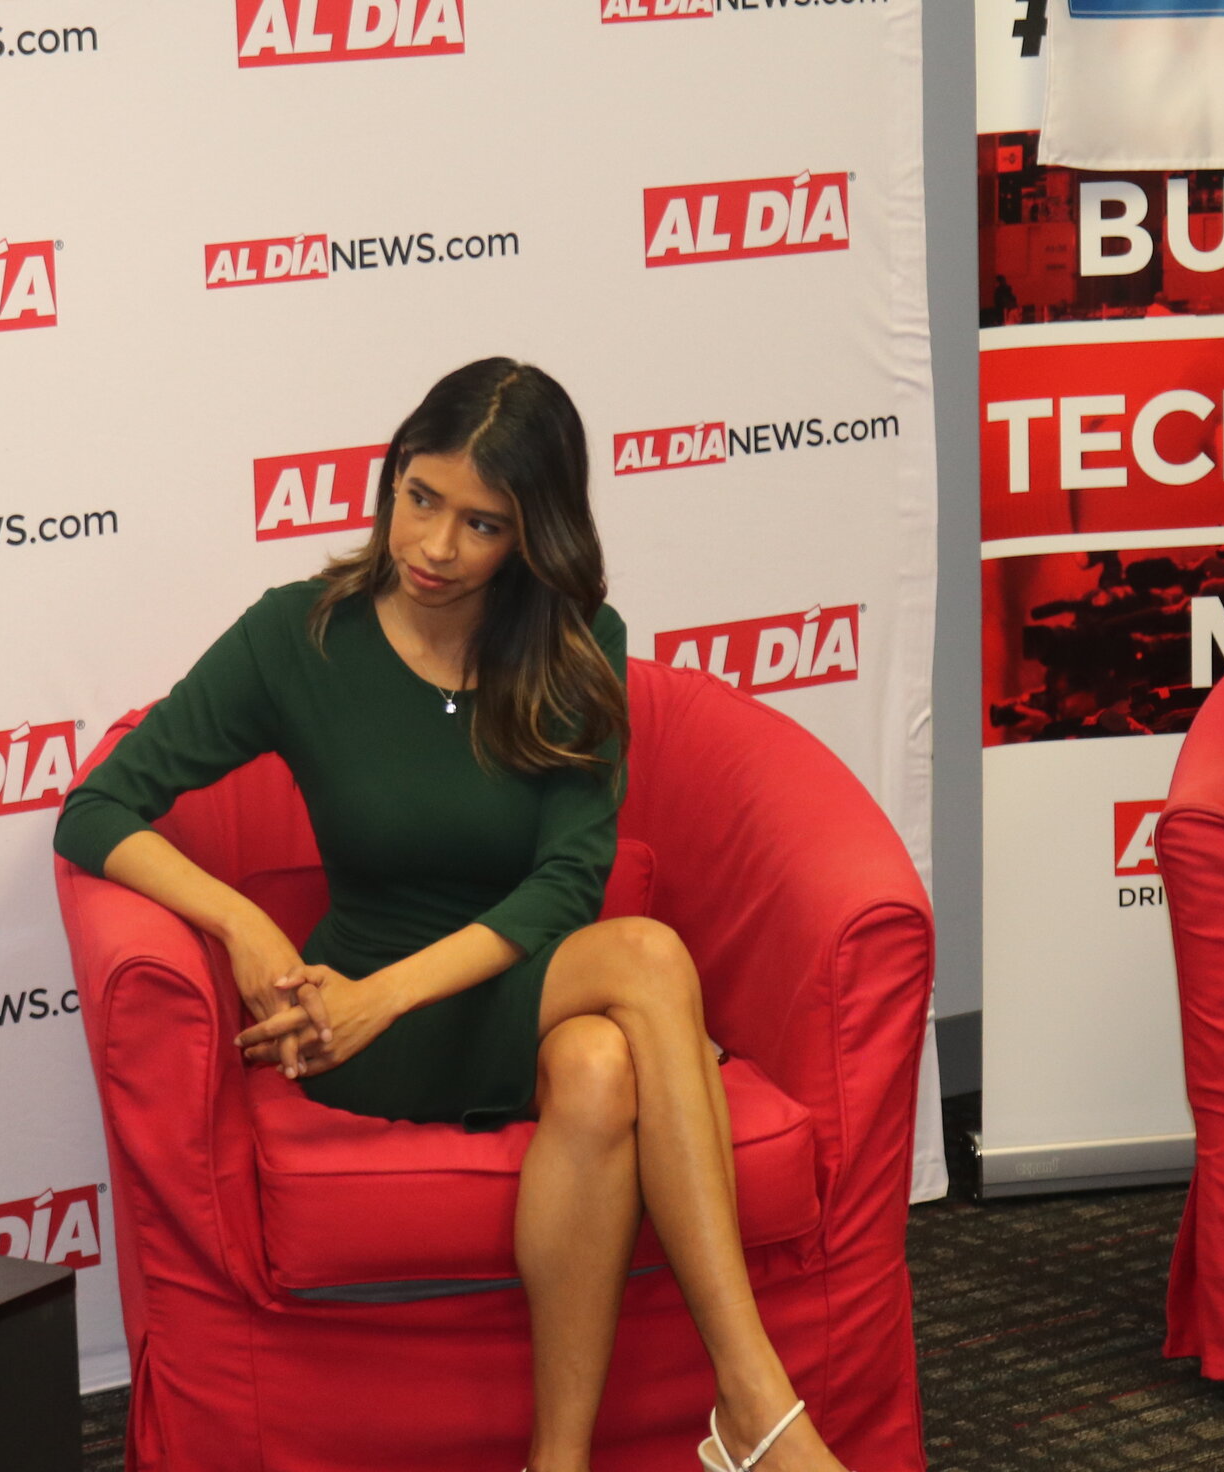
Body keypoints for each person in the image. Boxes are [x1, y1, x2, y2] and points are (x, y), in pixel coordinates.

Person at [54, 358, 853, 1472]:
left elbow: (569, 882)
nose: (434, 546)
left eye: (481, 523)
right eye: (419, 497)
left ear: (532, 535)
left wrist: (387, 995)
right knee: (647, 959)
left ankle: (559, 1462)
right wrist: (240, 923)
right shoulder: (301, 636)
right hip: (360, 1038)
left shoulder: (577, 643)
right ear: (390, 477)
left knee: (599, 1065)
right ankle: (756, 1403)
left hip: (470, 996)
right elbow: (97, 808)